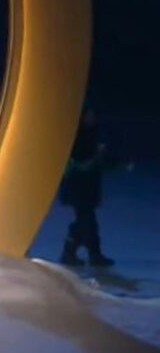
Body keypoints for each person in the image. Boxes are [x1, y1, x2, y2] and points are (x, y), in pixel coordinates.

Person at [58, 108, 115, 267]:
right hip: (78, 187)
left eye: (93, 115)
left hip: (88, 187)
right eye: (88, 115)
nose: (91, 118)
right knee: (85, 222)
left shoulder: (93, 135)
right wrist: (92, 159)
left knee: (87, 222)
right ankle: (75, 253)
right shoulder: (77, 137)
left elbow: (97, 162)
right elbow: (78, 162)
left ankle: (91, 254)